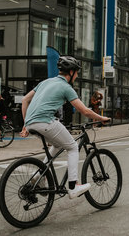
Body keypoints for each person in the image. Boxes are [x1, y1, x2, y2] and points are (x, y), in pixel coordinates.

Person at [20, 56, 110, 199]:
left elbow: (25, 100)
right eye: (77, 73)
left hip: (31, 123)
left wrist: (25, 124)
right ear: (72, 72)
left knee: (57, 145)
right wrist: (101, 118)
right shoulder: (66, 88)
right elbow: (85, 111)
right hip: (46, 122)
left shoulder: (45, 82)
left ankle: (39, 177)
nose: (77, 75)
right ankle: (73, 187)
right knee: (73, 147)